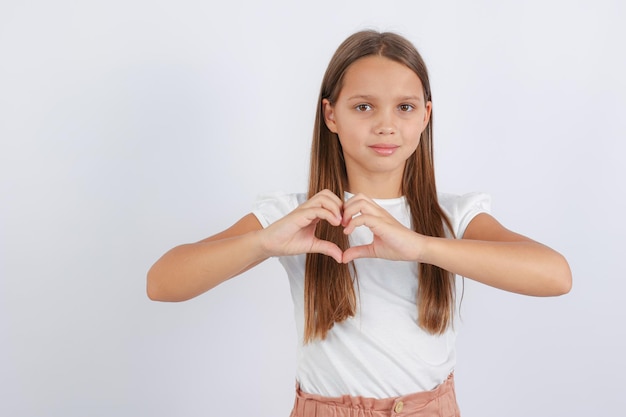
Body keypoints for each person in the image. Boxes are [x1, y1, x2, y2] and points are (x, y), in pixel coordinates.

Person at [147, 30, 572, 416]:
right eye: (364, 106)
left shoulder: (453, 215)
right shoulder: (297, 216)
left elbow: (555, 275)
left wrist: (420, 245)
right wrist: (263, 242)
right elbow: (162, 283)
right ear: (331, 115)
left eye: (404, 107)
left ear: (425, 116)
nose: (386, 125)